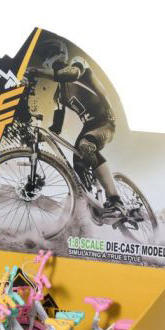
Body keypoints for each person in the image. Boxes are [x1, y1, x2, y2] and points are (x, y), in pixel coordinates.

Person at [26, 38, 123, 214]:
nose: (46, 61)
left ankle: (116, 201)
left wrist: (36, 71)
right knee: (77, 165)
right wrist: (39, 135)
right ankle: (92, 206)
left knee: (86, 146)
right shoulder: (59, 95)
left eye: (48, 56)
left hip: (105, 122)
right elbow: (56, 128)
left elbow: (71, 74)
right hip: (89, 127)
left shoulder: (78, 62)